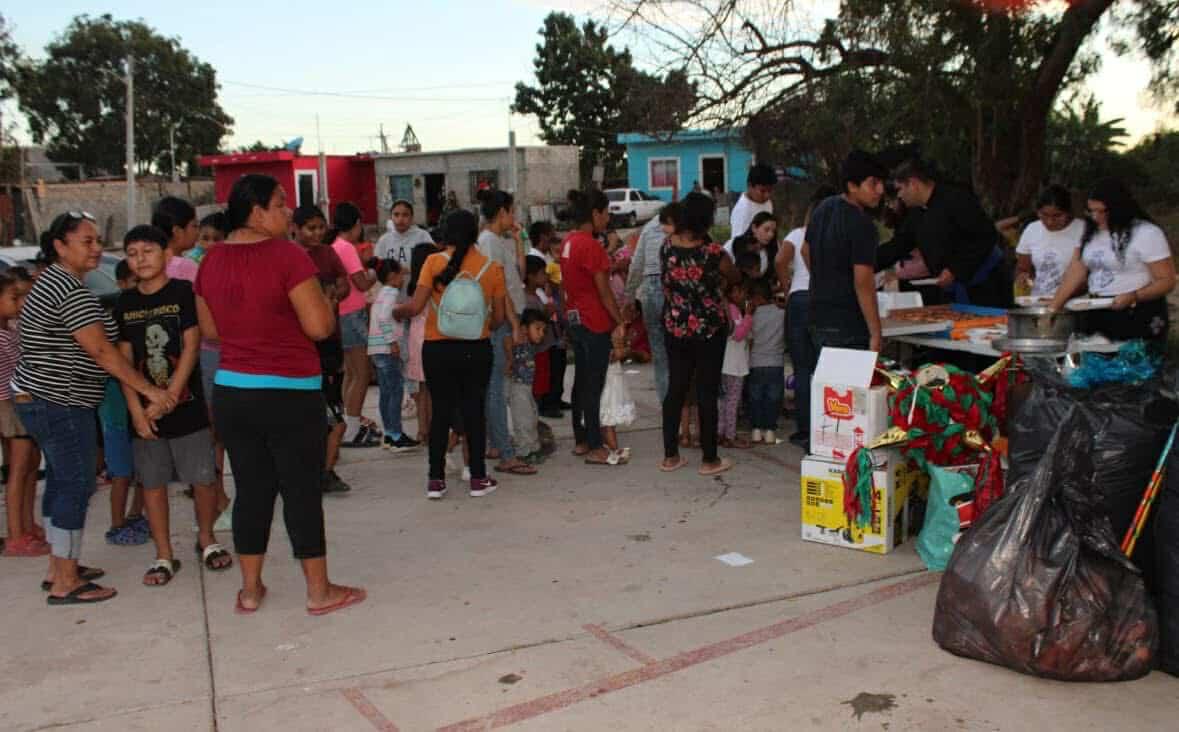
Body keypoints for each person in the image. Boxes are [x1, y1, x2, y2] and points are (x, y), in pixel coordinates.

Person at [195, 174, 365, 616]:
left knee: (251, 490)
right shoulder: (287, 256)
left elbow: (211, 331)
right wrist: (323, 301)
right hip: (289, 391)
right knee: (301, 491)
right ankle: (319, 591)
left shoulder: (210, 261)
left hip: (233, 390)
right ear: (256, 211)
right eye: (281, 204)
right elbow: (318, 327)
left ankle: (250, 590)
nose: (289, 212)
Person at [14, 211, 177, 605]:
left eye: (97, 241)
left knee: (59, 483)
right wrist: (150, 391)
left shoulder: (55, 283)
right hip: (60, 402)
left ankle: (59, 567)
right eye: (86, 242)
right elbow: (102, 351)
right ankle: (66, 582)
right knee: (74, 484)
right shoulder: (67, 289)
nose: (97, 248)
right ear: (60, 246)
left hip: (42, 400)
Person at [115, 225, 231, 586]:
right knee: (152, 483)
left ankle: (207, 539)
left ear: (166, 254)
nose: (140, 260)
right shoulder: (125, 303)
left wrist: (168, 397)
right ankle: (163, 554)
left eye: (147, 251)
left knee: (202, 478)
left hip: (186, 406)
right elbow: (123, 361)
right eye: (132, 254)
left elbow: (192, 345)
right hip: (145, 414)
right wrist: (137, 409)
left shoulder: (183, 292)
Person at [393, 209, 507, 500]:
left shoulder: (432, 262)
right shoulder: (491, 267)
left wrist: (397, 311)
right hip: (476, 349)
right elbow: (499, 318)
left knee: (441, 413)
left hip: (438, 348)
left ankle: (435, 480)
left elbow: (417, 306)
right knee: (474, 412)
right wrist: (479, 324)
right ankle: (478, 477)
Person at [659, 192, 740, 476]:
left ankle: (670, 455)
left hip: (675, 327)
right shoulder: (714, 253)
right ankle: (709, 459)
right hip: (708, 330)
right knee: (706, 391)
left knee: (676, 389)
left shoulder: (667, 247)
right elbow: (734, 277)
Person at [1049, 178, 1176, 343]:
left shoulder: (1147, 233)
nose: (1096, 217)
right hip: (1096, 308)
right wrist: (1053, 307)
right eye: (1091, 211)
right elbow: (1076, 270)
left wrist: (1134, 296)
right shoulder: (1090, 232)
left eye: (1102, 211)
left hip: (1136, 310)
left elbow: (1167, 281)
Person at [560, 189, 628, 467]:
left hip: (575, 318)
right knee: (594, 384)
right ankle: (597, 446)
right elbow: (604, 291)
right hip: (594, 320)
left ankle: (583, 440)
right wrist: (619, 320)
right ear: (595, 214)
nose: (607, 218)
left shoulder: (568, 242)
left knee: (581, 381)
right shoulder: (590, 245)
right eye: (606, 212)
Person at [887, 158, 1011, 307]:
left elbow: (985, 236)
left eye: (900, 189)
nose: (899, 195)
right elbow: (899, 245)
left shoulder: (957, 198)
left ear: (913, 184)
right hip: (951, 289)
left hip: (986, 286)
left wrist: (955, 270)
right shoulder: (916, 213)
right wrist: (865, 263)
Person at [292, 205, 352, 494]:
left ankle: (325, 467)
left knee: (332, 406)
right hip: (304, 343)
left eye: (320, 227)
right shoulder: (291, 256)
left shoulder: (328, 254)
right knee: (320, 416)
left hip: (330, 339)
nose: (316, 233)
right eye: (310, 228)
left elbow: (345, 284)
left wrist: (334, 294)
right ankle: (321, 471)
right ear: (296, 228)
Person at [804, 150, 888, 355]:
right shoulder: (863, 224)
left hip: (818, 316)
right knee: (852, 387)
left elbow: (805, 250)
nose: (880, 190)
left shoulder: (823, 208)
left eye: (881, 183)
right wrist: (876, 332)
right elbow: (863, 283)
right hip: (849, 323)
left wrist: (825, 279)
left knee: (829, 386)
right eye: (873, 183)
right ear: (852, 186)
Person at [775, 185, 836, 450]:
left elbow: (779, 260)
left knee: (802, 369)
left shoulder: (796, 234)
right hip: (823, 300)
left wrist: (787, 288)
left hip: (798, 299)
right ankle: (825, 427)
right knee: (825, 367)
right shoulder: (833, 235)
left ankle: (803, 429)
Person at [476, 190, 532, 475]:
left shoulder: (499, 241)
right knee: (496, 389)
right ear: (502, 213)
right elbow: (498, 291)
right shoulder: (488, 242)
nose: (515, 217)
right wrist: (513, 325)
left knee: (498, 387)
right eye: (512, 211)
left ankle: (496, 443)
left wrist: (520, 240)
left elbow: (516, 278)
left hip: (507, 321)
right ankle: (505, 453)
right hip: (500, 325)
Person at [0, 273, 47, 556]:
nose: (20, 303)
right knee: (18, 469)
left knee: (30, 464)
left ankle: (27, 525)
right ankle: (16, 535)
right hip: (11, 404)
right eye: (14, 298)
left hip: (20, 402)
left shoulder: (12, 327)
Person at [326, 202, 378, 448]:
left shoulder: (334, 245)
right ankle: (353, 429)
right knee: (362, 373)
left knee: (351, 373)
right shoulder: (346, 248)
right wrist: (375, 271)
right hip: (352, 315)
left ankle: (347, 424)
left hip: (340, 316)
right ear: (356, 224)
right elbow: (361, 284)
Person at [622, 208, 679, 403]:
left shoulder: (648, 228)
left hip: (650, 290)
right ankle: (683, 412)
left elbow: (637, 264)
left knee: (660, 357)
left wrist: (629, 297)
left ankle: (668, 410)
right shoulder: (682, 224)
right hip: (673, 288)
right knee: (680, 356)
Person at [368, 258, 418, 451]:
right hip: (386, 348)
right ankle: (397, 435)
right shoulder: (391, 293)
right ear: (392, 277)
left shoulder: (381, 293)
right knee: (396, 391)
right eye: (401, 275)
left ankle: (389, 433)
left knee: (386, 393)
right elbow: (384, 318)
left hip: (376, 348)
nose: (403, 279)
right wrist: (392, 342)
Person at [1015, 185, 1086, 299]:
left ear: (1068, 212)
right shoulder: (1032, 229)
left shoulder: (1083, 229)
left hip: (1074, 302)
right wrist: (1025, 280)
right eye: (1044, 215)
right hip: (1038, 302)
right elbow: (1023, 269)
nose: (1050, 222)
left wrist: (1061, 297)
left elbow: (1088, 276)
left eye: (1057, 216)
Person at [506, 308, 548, 466]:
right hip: (517, 386)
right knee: (523, 419)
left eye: (543, 330)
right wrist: (510, 359)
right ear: (524, 329)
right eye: (537, 329)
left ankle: (533, 447)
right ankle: (524, 451)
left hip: (526, 387)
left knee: (532, 416)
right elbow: (507, 340)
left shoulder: (528, 343)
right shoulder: (518, 339)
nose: (541, 333)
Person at [747, 279, 786, 444]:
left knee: (755, 398)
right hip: (776, 362)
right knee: (773, 398)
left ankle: (756, 429)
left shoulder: (752, 316)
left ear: (757, 298)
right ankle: (770, 430)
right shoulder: (781, 314)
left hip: (756, 362)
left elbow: (748, 339)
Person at [718, 281, 752, 449]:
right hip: (734, 365)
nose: (744, 295)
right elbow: (738, 334)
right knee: (732, 402)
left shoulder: (723, 308)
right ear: (732, 293)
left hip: (725, 363)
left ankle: (721, 432)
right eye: (741, 291)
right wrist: (749, 316)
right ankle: (730, 436)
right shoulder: (733, 310)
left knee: (724, 401)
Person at [600, 324, 635, 464]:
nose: (620, 339)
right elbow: (619, 354)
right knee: (609, 422)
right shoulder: (610, 352)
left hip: (612, 387)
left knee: (605, 421)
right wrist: (627, 347)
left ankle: (607, 445)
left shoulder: (608, 348)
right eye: (617, 338)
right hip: (610, 390)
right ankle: (614, 449)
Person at [726, 163, 776, 249]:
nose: (767, 195)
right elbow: (738, 244)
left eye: (770, 191)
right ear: (749, 186)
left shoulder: (767, 202)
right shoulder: (743, 211)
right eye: (762, 191)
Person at [152, 196, 201, 283]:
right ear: (177, 232)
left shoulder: (150, 264)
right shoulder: (186, 266)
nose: (198, 232)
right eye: (194, 226)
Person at [375, 199, 434, 268]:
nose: (400, 219)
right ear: (391, 217)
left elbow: (432, 260)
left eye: (405, 215)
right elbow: (377, 266)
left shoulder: (423, 236)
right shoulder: (384, 240)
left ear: (411, 217)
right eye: (396, 215)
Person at [727, 211, 779, 281]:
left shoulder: (770, 250)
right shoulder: (736, 243)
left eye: (773, 231)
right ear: (754, 228)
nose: (771, 235)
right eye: (766, 230)